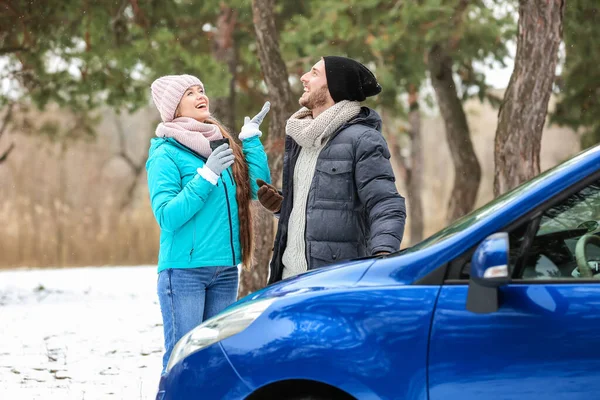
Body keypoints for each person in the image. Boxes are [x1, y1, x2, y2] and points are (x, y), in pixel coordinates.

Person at [146, 74, 271, 373]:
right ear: (174, 106)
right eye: (189, 93)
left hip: (225, 271)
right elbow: (167, 215)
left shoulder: (218, 141)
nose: (200, 96)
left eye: (201, 89)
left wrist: (250, 141)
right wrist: (206, 176)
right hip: (185, 273)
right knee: (183, 360)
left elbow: (255, 189)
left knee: (216, 360)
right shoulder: (166, 153)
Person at [257, 56, 406, 284]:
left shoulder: (363, 139)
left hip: (332, 280)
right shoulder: (301, 138)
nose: (304, 78)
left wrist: (382, 257)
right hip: (287, 279)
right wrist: (282, 206)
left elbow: (386, 203)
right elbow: (322, 203)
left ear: (335, 86)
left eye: (314, 73)